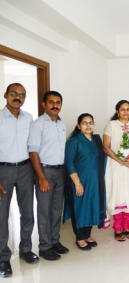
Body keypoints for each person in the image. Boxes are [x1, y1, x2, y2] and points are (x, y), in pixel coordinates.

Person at [0, 83, 38, 278]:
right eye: (14, 93)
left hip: (25, 169)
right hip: (3, 170)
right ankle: (3, 258)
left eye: (22, 95)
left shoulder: (29, 118)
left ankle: (25, 249)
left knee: (27, 212)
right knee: (1, 216)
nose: (18, 97)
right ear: (6, 95)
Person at [29, 90, 69, 261]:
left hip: (61, 171)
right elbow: (33, 152)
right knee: (44, 211)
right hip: (45, 171)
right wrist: (42, 177)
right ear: (44, 104)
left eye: (58, 102)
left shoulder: (62, 124)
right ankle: (44, 246)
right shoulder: (38, 124)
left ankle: (55, 241)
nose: (55, 105)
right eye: (51, 102)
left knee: (56, 209)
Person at [63, 113, 106, 250]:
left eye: (90, 122)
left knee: (92, 206)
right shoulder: (73, 142)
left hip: (94, 181)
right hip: (79, 181)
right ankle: (80, 237)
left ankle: (87, 234)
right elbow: (69, 163)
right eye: (84, 123)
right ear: (78, 126)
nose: (88, 125)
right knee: (80, 208)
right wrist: (77, 183)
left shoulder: (97, 139)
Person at [103, 100, 129, 242]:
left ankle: (127, 228)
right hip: (116, 166)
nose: (125, 112)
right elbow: (106, 147)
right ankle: (118, 229)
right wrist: (121, 161)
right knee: (117, 193)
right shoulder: (111, 125)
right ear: (117, 111)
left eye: (128, 109)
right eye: (122, 109)